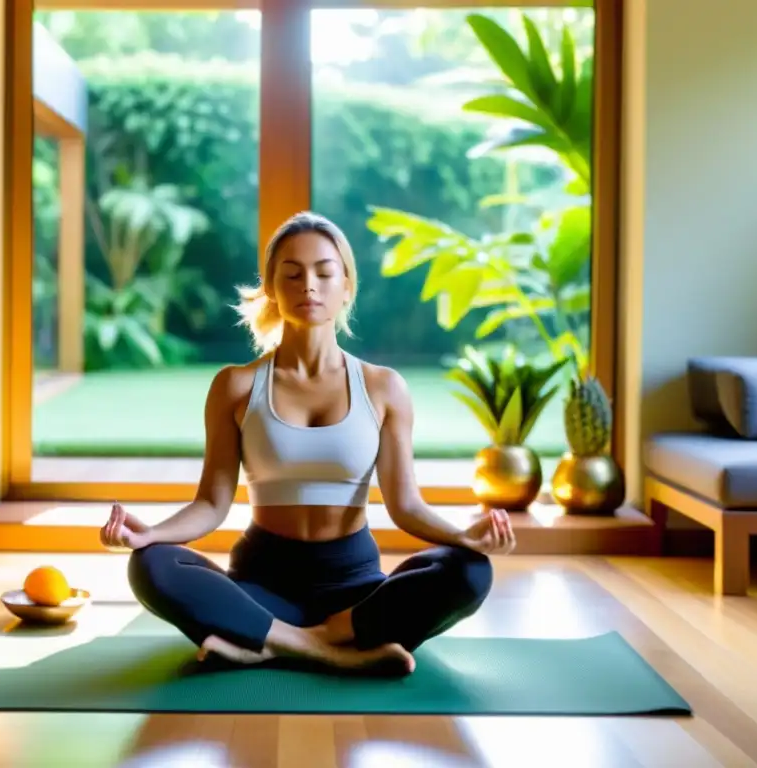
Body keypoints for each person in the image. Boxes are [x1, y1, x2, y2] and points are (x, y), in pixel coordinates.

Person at [100, 211, 516, 676]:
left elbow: (406, 506)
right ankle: (331, 650)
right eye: (291, 275)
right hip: (261, 583)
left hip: (355, 589)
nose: (308, 287)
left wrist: (463, 537)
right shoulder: (235, 387)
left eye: (324, 272)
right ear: (272, 290)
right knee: (150, 566)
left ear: (346, 286)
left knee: (471, 571)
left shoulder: (383, 388)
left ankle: (273, 642)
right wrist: (151, 534)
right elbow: (211, 504)